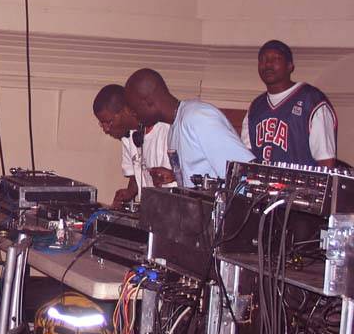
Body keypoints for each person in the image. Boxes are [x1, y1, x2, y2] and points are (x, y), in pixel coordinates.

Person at [124, 68, 254, 187]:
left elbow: (245, 174)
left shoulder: (197, 117)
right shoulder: (174, 130)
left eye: (134, 109)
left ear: (148, 102)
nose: (133, 114)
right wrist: (174, 176)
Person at [240, 40, 337, 167]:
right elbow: (245, 157)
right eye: (263, 59)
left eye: (276, 59)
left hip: (300, 180)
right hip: (261, 179)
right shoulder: (255, 106)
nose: (268, 64)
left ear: (290, 66)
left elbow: (326, 161)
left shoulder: (312, 100)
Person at [93, 84, 175, 208]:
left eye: (108, 122)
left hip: (172, 211)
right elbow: (136, 175)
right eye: (101, 124)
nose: (106, 129)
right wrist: (128, 193)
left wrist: (173, 176)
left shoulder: (167, 130)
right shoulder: (128, 136)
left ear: (125, 110)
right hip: (149, 212)